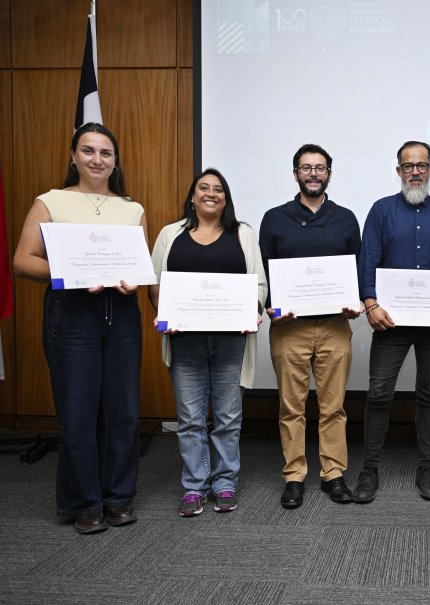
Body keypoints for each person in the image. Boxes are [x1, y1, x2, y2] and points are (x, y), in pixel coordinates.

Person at [13, 122, 145, 534]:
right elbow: (22, 260)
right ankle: (85, 502)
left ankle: (118, 497)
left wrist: (135, 281)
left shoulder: (132, 209)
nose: (97, 159)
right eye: (88, 151)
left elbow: (136, 264)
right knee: (79, 411)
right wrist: (69, 274)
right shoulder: (50, 202)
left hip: (121, 313)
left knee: (124, 411)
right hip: (72, 314)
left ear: (115, 161)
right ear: (73, 156)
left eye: (106, 153)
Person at [354, 140, 430, 503]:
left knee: (429, 394)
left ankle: (426, 468)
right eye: (408, 166)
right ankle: (369, 470)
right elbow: (368, 260)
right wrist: (371, 304)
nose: (415, 172)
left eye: (421, 165)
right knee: (378, 393)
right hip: (390, 322)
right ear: (398, 171)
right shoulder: (381, 210)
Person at [150, 168, 267, 517]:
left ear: (226, 199)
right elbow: (155, 284)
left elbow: (259, 284)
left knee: (228, 417)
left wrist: (253, 311)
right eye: (204, 188)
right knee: (190, 418)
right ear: (192, 196)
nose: (211, 194)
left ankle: (225, 482)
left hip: (231, 342)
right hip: (185, 342)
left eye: (218, 189)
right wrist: (165, 314)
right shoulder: (171, 234)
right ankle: (194, 486)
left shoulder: (243, 234)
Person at [259, 144, 361, 509]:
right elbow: (265, 271)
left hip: (335, 326)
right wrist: (270, 307)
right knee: (292, 407)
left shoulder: (346, 218)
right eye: (306, 168)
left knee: (334, 406)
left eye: (320, 168)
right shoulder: (274, 218)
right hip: (290, 328)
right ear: (295, 174)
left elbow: (356, 269)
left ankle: (333, 473)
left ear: (329, 174)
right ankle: (294, 476)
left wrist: (355, 301)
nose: (313, 173)